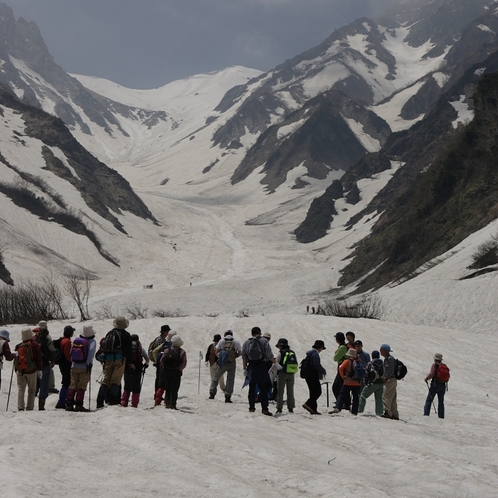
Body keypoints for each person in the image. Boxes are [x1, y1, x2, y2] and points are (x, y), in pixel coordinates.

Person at [96, 316, 132, 409]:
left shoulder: (110, 333)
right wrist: (130, 362)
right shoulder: (126, 335)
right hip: (119, 359)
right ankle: (113, 401)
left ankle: (100, 400)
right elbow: (129, 350)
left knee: (106, 380)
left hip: (108, 359)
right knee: (115, 380)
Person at [241, 326, 275, 416]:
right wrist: (275, 363)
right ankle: (264, 409)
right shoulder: (264, 341)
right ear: (260, 332)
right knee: (264, 389)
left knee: (251, 388)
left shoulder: (246, 342)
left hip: (251, 367)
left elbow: (244, 357)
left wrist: (244, 368)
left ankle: (251, 407)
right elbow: (269, 354)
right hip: (261, 366)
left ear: (251, 333)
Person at [65, 325, 97, 412]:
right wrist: (88, 364)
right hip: (84, 367)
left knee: (73, 384)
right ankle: (79, 405)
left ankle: (69, 404)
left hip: (74, 365)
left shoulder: (77, 340)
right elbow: (90, 354)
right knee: (81, 386)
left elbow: (71, 352)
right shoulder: (92, 342)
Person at [209, 332, 242, 403]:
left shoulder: (222, 341)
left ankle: (212, 393)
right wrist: (234, 356)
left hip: (222, 363)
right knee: (230, 379)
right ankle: (228, 396)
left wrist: (220, 357)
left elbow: (216, 351)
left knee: (216, 377)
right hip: (232, 363)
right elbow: (240, 352)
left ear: (225, 335)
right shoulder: (236, 341)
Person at [14, 327, 42, 411]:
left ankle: (20, 407)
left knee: (21, 389)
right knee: (32, 390)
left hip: (20, 371)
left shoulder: (19, 345)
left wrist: (16, 368)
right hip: (31, 371)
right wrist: (39, 369)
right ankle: (29, 407)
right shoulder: (35, 344)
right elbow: (38, 358)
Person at [329, 349, 362, 415]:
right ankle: (354, 411)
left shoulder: (347, 361)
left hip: (348, 382)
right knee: (356, 397)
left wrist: (343, 376)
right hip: (357, 382)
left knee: (342, 395)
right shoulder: (359, 362)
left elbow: (341, 368)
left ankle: (338, 407)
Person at [158, 335, 187, 409]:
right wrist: (179, 369)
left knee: (167, 387)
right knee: (174, 388)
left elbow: (161, 361)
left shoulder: (166, 350)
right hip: (176, 372)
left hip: (166, 371)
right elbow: (184, 363)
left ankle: (167, 402)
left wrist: (165, 367)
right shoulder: (182, 352)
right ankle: (172, 404)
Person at [121, 334, 149, 408]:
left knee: (127, 385)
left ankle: (124, 402)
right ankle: (134, 404)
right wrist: (146, 364)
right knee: (136, 386)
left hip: (127, 367)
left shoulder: (127, 348)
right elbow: (147, 359)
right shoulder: (140, 349)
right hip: (138, 368)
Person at [34, 321, 56, 410]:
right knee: (44, 384)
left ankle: (30, 402)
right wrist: (52, 360)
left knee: (35, 383)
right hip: (45, 364)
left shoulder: (34, 340)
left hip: (35, 365)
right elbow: (53, 350)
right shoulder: (47, 341)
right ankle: (41, 406)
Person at [302, 340, 327, 415]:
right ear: (320, 347)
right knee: (318, 391)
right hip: (313, 375)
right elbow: (316, 364)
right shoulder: (315, 353)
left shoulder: (309, 353)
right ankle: (308, 403)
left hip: (307, 375)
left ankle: (313, 409)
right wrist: (323, 370)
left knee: (312, 392)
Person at [358, 350, 384, 416]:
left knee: (363, 395)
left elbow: (366, 373)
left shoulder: (371, 363)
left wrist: (365, 382)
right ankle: (379, 412)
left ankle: (359, 410)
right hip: (381, 383)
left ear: (372, 356)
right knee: (379, 399)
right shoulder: (382, 363)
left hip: (373, 383)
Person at [55, 325, 75, 408]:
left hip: (61, 363)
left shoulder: (61, 340)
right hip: (66, 364)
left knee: (65, 381)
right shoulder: (67, 341)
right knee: (67, 382)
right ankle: (62, 402)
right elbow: (67, 354)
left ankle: (62, 401)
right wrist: (72, 362)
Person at [274, 338, 296, 414]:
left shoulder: (281, 353)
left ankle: (279, 408)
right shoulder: (292, 352)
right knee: (290, 391)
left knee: (280, 391)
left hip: (282, 373)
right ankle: (291, 408)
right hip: (291, 372)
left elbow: (276, 363)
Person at [424, 353, 449, 419]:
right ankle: (441, 416)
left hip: (435, 385)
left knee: (429, 400)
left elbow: (432, 374)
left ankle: (426, 414)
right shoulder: (444, 366)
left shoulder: (435, 365)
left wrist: (427, 378)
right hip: (443, 386)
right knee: (441, 401)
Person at [148, 324, 171, 396]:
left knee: (160, 378)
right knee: (159, 379)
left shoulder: (161, 339)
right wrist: (157, 361)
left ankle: (158, 394)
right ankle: (157, 394)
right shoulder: (160, 340)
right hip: (159, 362)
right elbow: (156, 351)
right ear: (164, 332)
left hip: (159, 361)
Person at [380, 344, 399, 420]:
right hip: (392, 380)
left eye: (381, 350)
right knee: (393, 397)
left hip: (390, 380)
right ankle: (394, 413)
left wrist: (386, 377)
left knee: (386, 396)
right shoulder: (388, 358)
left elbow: (390, 370)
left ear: (385, 350)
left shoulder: (389, 359)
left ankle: (387, 412)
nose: (380, 351)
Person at [332, 332, 349, 407]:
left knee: (336, 386)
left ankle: (342, 403)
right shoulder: (344, 346)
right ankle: (344, 402)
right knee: (341, 385)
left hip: (342, 367)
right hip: (344, 367)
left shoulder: (342, 347)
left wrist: (336, 353)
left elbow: (335, 358)